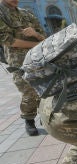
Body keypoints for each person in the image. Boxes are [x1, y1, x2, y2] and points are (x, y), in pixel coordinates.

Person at [0, 0, 46, 136]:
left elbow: (43, 37)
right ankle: (29, 119)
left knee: (44, 87)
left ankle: (45, 116)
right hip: (18, 61)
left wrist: (35, 34)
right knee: (28, 91)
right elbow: (9, 41)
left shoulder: (27, 14)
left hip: (38, 58)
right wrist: (36, 44)